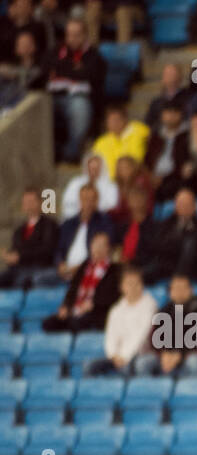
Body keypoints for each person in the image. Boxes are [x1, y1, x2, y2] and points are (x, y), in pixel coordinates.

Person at [45, 17, 105, 164]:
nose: (72, 39)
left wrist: (60, 69)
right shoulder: (55, 50)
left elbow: (90, 74)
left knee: (80, 107)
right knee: (35, 106)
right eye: (69, 34)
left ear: (85, 35)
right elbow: (45, 67)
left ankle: (70, 153)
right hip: (51, 97)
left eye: (76, 34)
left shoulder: (94, 55)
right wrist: (74, 69)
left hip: (79, 99)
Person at [85, 263, 156, 374]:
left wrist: (124, 356)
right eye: (129, 284)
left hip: (139, 354)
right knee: (89, 366)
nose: (132, 287)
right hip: (117, 357)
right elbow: (111, 335)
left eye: (136, 283)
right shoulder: (116, 309)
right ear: (122, 287)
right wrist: (113, 355)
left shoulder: (149, 305)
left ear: (142, 285)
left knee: (131, 367)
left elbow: (141, 335)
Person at [137, 273, 197, 376]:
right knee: (143, 363)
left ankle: (194, 391)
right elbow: (154, 339)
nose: (179, 292)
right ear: (170, 292)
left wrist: (179, 354)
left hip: (191, 355)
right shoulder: (163, 312)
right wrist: (163, 353)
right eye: (175, 288)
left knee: (194, 362)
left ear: (191, 290)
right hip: (167, 356)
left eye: (183, 288)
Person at [44, 230, 118, 332]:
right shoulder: (84, 266)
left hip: (95, 312)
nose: (97, 248)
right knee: (49, 323)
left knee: (76, 323)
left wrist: (93, 304)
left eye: (101, 245)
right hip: (76, 310)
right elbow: (72, 289)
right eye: (95, 244)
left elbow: (113, 296)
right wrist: (66, 306)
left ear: (108, 248)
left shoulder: (114, 269)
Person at [146, 187, 197, 283]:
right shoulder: (166, 223)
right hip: (167, 263)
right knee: (143, 273)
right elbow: (158, 245)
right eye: (180, 204)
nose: (184, 207)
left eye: (187, 204)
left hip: (191, 266)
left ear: (195, 206)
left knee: (190, 243)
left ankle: (178, 281)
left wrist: (176, 242)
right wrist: (178, 243)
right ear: (175, 206)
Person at [0, 187, 59, 289]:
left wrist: (20, 256)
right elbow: (15, 250)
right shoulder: (19, 230)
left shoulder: (49, 225)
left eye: (32, 201)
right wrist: (8, 256)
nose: (29, 205)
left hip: (39, 268)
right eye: (26, 202)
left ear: (40, 203)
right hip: (18, 269)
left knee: (24, 281)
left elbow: (47, 250)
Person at [56, 185, 113, 278]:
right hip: (65, 270)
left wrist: (79, 268)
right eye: (85, 199)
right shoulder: (68, 224)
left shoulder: (104, 223)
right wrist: (60, 265)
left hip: (89, 271)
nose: (88, 203)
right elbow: (59, 249)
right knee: (39, 279)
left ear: (97, 201)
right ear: (79, 200)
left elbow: (101, 251)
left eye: (92, 199)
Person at [61, 153, 118, 221]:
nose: (93, 171)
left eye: (96, 168)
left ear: (102, 168)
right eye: (91, 168)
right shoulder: (75, 183)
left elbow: (111, 207)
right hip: (76, 220)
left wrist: (91, 209)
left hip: (100, 222)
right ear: (86, 167)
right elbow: (67, 203)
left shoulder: (111, 186)